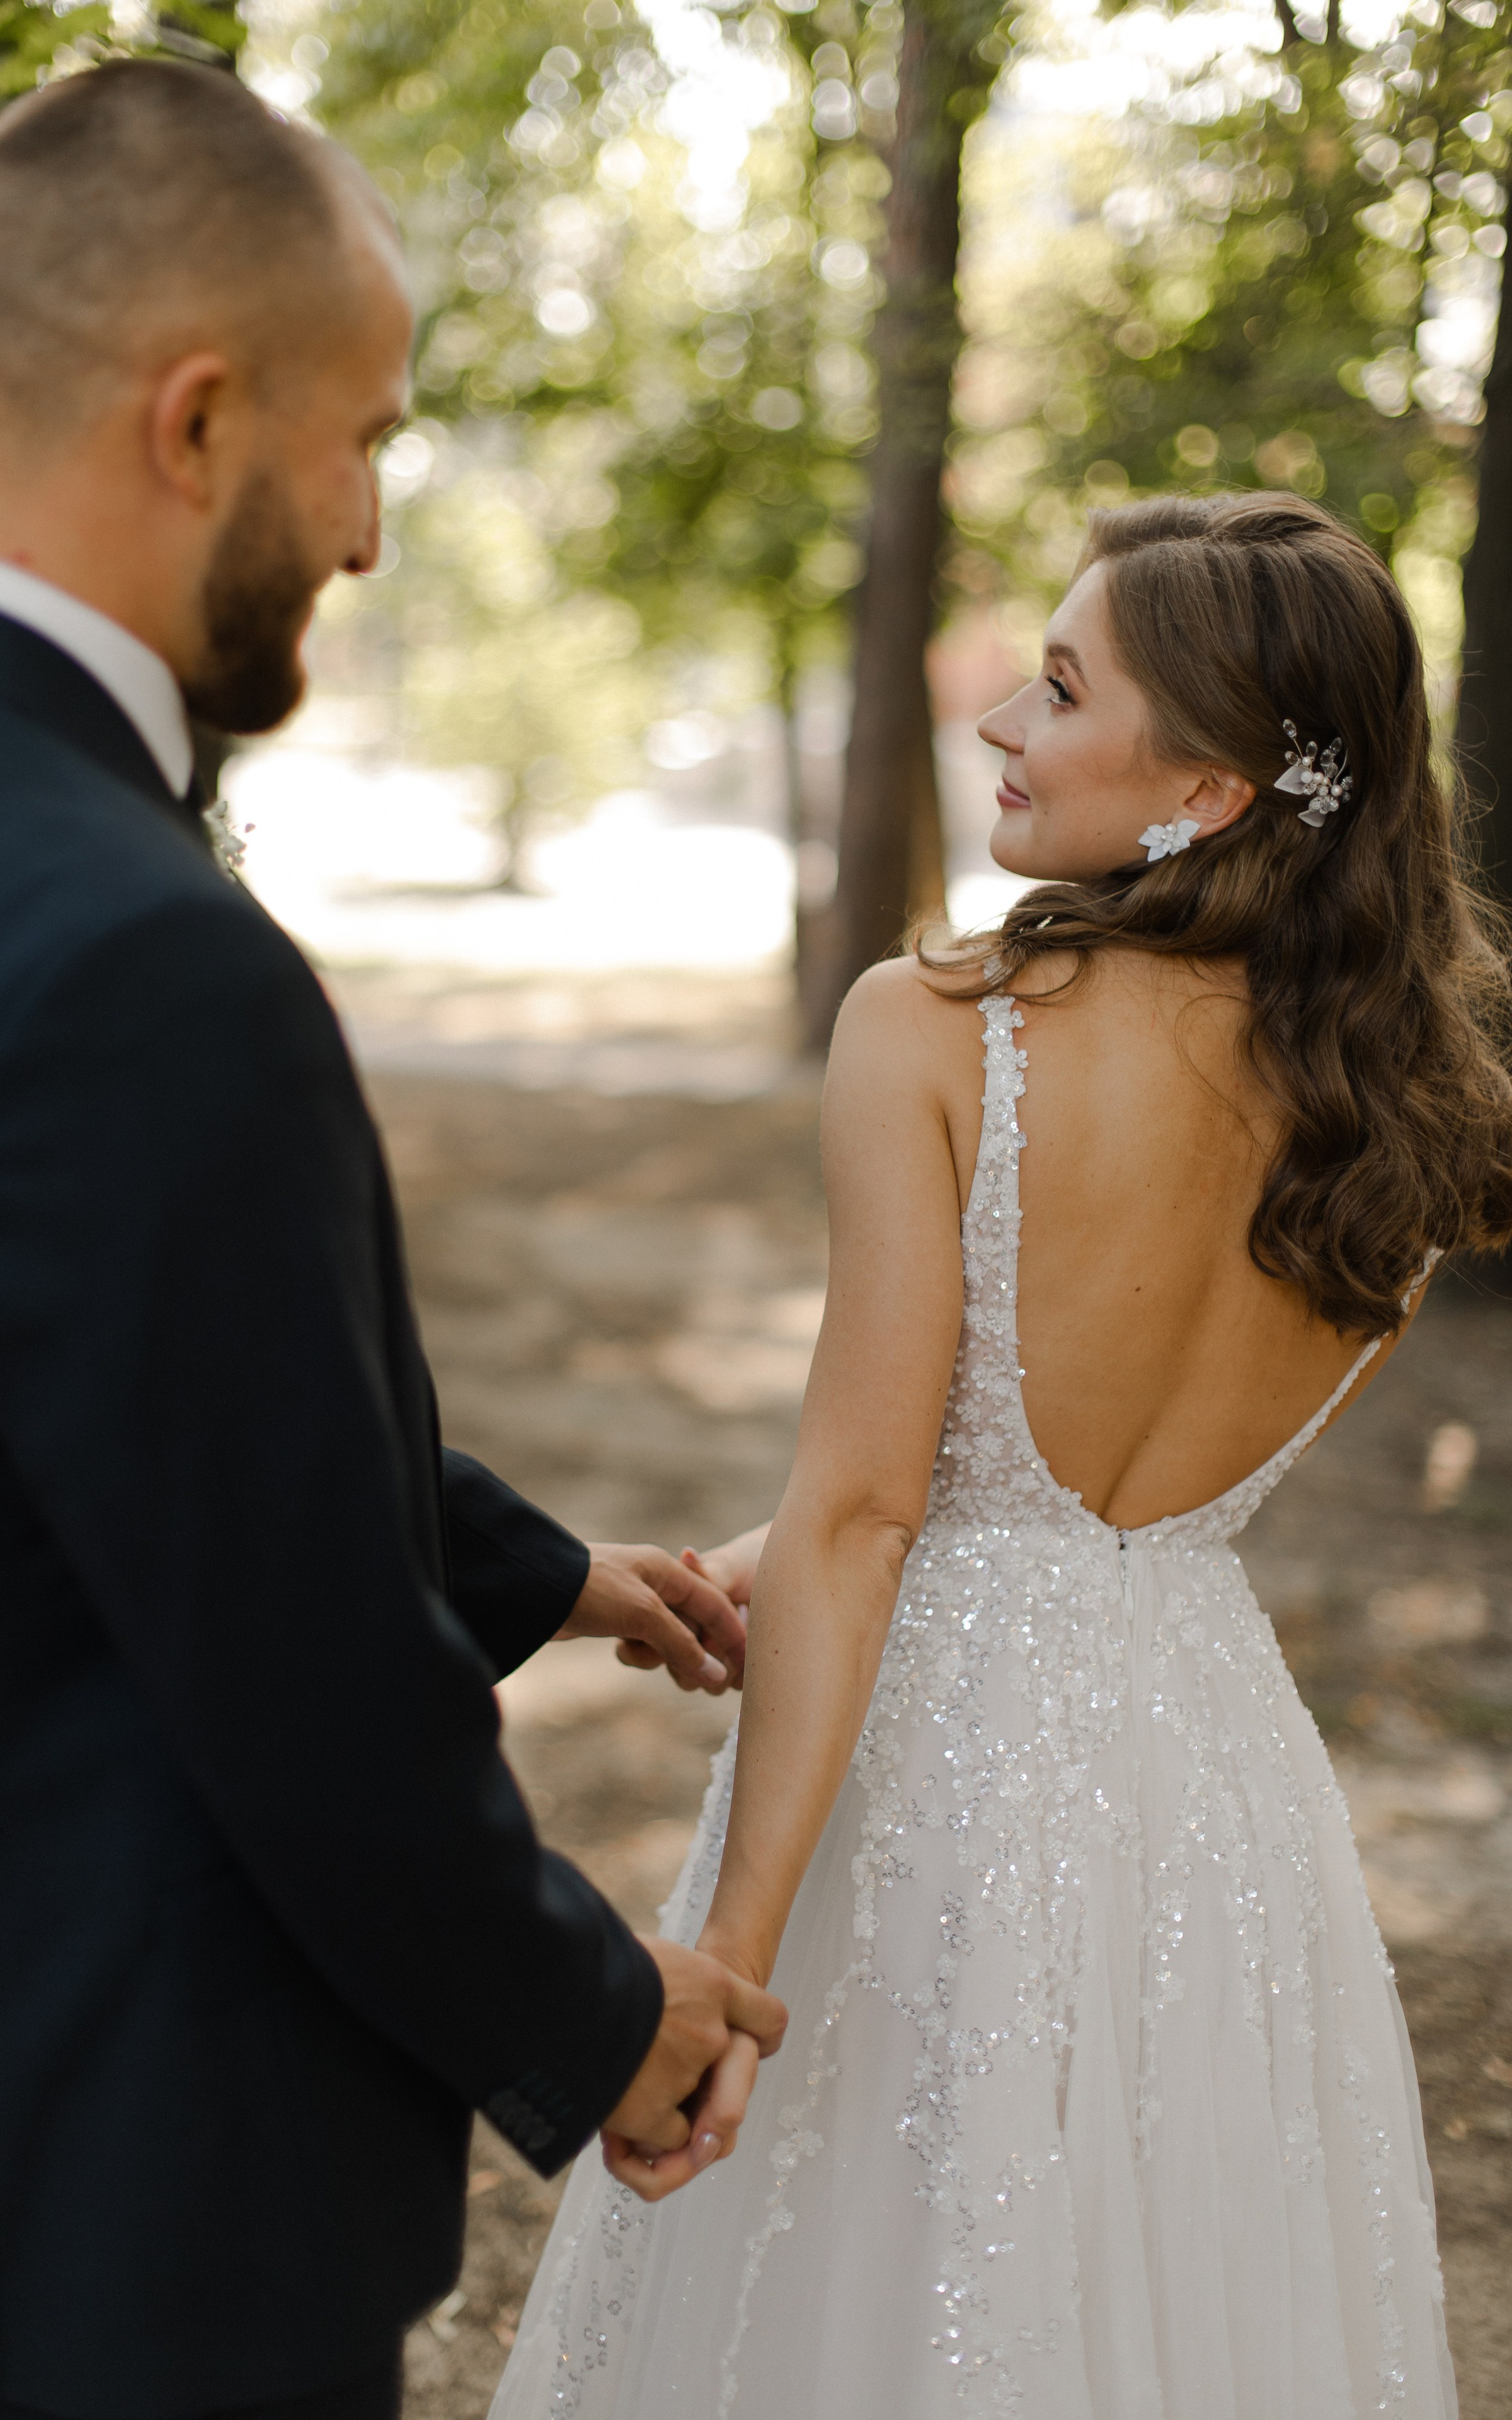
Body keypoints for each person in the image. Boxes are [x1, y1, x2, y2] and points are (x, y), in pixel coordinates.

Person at [0, 59, 787, 2420]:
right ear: (197, 422)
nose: (375, 531)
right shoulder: (134, 954)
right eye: (361, 440)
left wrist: (533, 1565)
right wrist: (604, 2013)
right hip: (60, 2225)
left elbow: (51, 1397)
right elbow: (283, 1669)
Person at [493, 491, 1512, 2418]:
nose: (999, 727)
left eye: (1057, 690)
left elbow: (888, 1507)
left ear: (1208, 791)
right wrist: (747, 1553)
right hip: (1209, 1791)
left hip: (930, 1765)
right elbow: (1062, 1497)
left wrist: (729, 1957)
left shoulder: (939, 1027)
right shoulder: (1404, 1114)